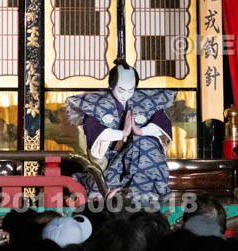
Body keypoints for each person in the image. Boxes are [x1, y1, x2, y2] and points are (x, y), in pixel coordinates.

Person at [65, 60, 174, 203]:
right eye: (121, 90)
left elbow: (162, 125)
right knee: (106, 187)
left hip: (140, 158)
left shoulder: (147, 100)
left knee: (146, 143)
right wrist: (122, 133)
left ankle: (146, 194)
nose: (126, 95)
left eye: (131, 90)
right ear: (111, 85)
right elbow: (94, 132)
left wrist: (141, 131)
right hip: (110, 158)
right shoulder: (95, 104)